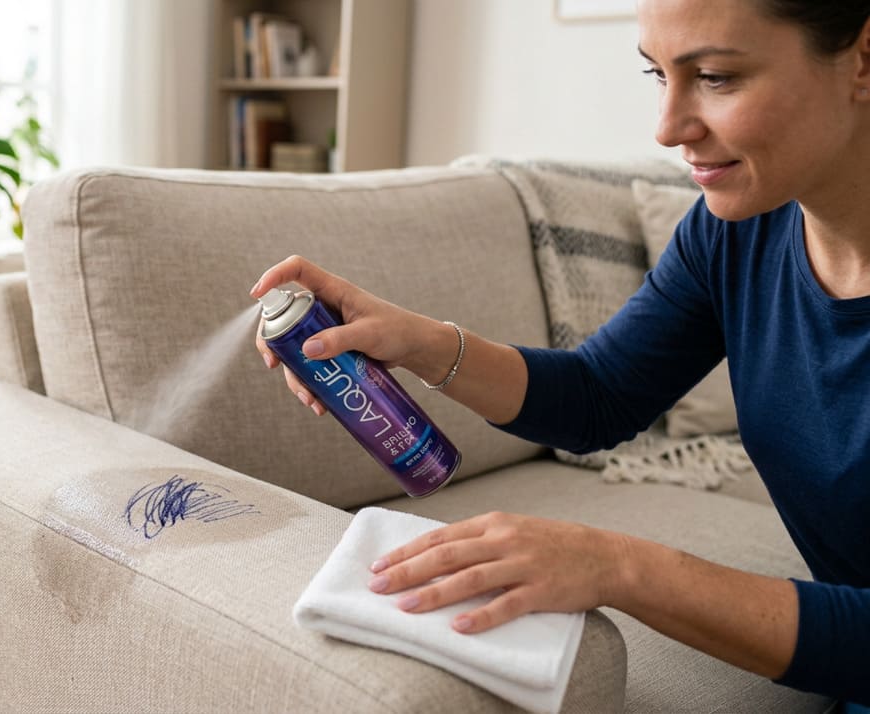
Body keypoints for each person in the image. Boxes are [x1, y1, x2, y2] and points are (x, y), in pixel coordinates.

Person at [249, 0, 870, 707]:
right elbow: (599, 395)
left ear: (862, 59)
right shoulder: (737, 232)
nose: (667, 128)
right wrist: (415, 340)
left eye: (718, 77)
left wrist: (620, 566)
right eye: (656, 74)